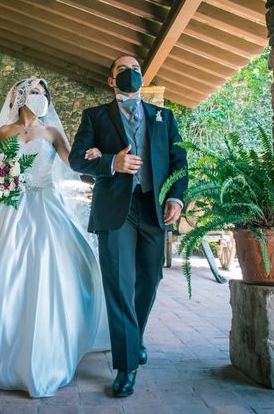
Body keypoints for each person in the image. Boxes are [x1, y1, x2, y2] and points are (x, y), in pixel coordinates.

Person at [0, 78, 110, 398]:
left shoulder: (51, 133)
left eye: (43, 93)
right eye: (34, 92)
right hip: (11, 205)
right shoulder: (5, 133)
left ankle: (56, 336)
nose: (40, 97)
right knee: (0, 269)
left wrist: (96, 160)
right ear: (19, 97)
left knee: (61, 263)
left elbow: (72, 164)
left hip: (46, 204)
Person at [69, 55, 188, 397]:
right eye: (122, 70)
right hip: (114, 209)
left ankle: (133, 338)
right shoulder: (94, 116)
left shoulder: (164, 117)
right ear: (111, 80)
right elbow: (76, 158)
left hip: (153, 207)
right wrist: (111, 162)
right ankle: (126, 366)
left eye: (135, 69)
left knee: (149, 280)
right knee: (119, 284)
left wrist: (177, 199)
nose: (130, 73)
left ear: (143, 77)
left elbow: (180, 161)